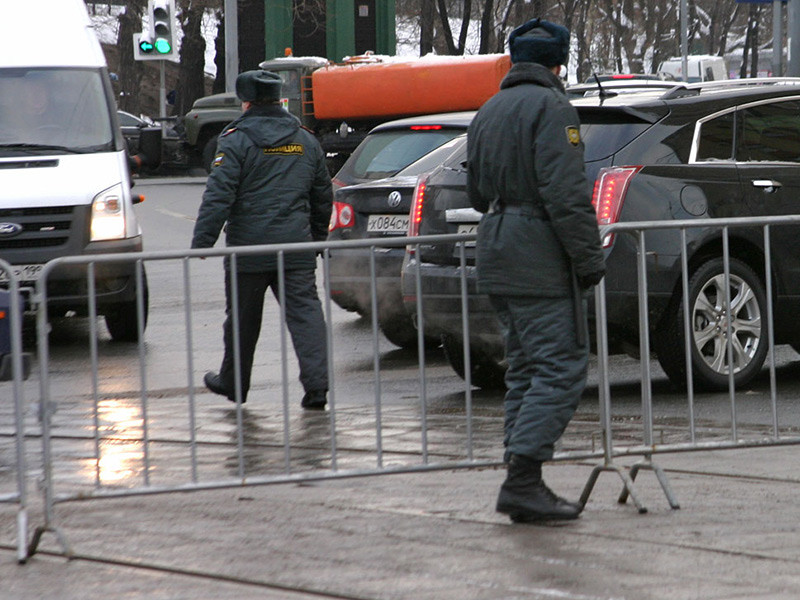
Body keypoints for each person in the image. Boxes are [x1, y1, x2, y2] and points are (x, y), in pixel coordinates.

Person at [466, 19, 606, 522]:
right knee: (561, 367)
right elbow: (566, 195)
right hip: (537, 257)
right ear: (558, 63)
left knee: (525, 368)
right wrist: (590, 260)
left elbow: (477, 194)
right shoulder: (552, 107)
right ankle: (523, 479)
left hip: (497, 249)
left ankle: (520, 477)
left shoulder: (488, 109)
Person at [191, 70, 333, 410]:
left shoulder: (236, 139)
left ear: (247, 101)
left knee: (242, 319)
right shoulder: (305, 139)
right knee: (306, 317)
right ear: (278, 99)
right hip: (296, 248)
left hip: (249, 250)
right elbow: (322, 194)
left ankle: (234, 383)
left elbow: (219, 194)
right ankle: (317, 388)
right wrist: (315, 238)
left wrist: (201, 242)